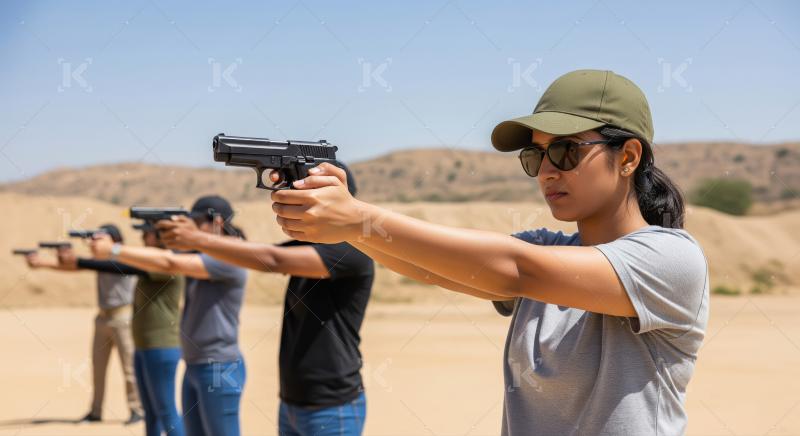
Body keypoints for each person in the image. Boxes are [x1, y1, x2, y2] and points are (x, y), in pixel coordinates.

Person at [268, 70, 710, 435]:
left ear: (628, 156)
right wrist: (349, 226)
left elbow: (517, 269)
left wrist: (358, 218)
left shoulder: (671, 260)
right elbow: (434, 267)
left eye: (565, 151)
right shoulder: (546, 249)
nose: (546, 171)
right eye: (536, 156)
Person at [155, 163, 373, 436]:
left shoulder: (351, 251)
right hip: (293, 403)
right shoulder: (312, 245)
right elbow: (262, 252)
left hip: (333, 406)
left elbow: (273, 259)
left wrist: (198, 239)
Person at [90, 196, 248, 436]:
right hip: (196, 364)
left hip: (218, 366)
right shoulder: (204, 253)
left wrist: (114, 250)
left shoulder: (230, 255)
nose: (192, 228)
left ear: (216, 222)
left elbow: (167, 261)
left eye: (197, 222)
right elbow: (169, 254)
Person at [57, 223, 185, 436]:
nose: (143, 237)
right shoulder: (149, 260)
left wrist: (107, 251)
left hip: (160, 343)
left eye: (148, 234)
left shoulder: (165, 262)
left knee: (166, 410)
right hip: (145, 343)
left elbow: (126, 267)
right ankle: (99, 410)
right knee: (153, 412)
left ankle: (133, 410)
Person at [26, 224, 144, 425]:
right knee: (98, 368)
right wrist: (44, 263)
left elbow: (82, 263)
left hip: (122, 317)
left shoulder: (123, 258)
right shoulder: (100, 260)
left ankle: (137, 409)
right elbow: (77, 266)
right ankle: (96, 411)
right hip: (103, 317)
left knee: (129, 369)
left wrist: (74, 257)